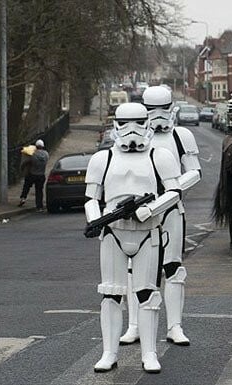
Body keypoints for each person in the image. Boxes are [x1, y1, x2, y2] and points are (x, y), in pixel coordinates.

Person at [84, 102, 182, 373]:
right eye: (125, 123)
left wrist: (150, 209)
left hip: (147, 233)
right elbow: (92, 198)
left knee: (147, 295)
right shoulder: (102, 159)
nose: (131, 130)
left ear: (147, 122)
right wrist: (95, 219)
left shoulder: (159, 156)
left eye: (138, 122)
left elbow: (173, 192)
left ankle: (149, 353)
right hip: (113, 233)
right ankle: (109, 352)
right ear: (115, 125)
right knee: (111, 294)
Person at [118, 86, 201, 347]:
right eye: (150, 110)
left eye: (161, 109)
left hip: (171, 209)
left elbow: (195, 171)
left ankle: (174, 325)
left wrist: (171, 188)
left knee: (173, 268)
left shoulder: (181, 136)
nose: (156, 116)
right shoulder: (134, 138)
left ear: (171, 108)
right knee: (134, 270)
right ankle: (134, 324)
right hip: (142, 213)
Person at [18, 139, 49, 211]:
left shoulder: (33, 154)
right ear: (43, 146)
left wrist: (22, 167)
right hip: (41, 175)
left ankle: (23, 198)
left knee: (26, 186)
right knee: (39, 191)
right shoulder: (46, 154)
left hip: (32, 174)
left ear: (36, 146)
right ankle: (39, 207)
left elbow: (28, 162)